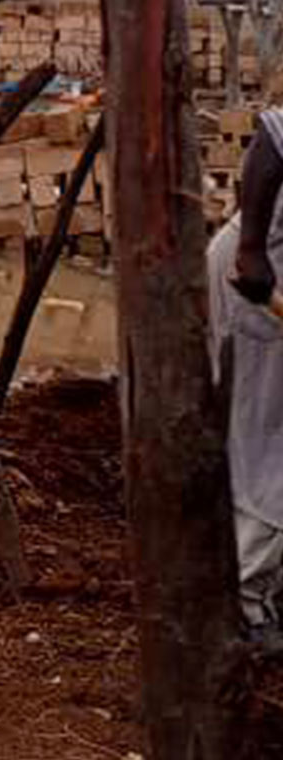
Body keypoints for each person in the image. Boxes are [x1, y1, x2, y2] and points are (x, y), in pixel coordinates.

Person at [205, 107, 283, 640]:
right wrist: (254, 250)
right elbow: (274, 137)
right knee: (266, 446)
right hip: (261, 283)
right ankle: (244, 607)